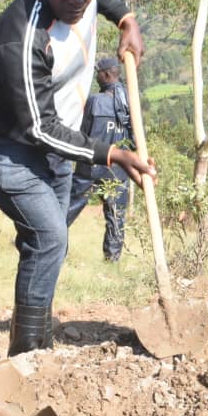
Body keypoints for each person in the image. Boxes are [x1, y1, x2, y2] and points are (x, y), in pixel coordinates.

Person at [0, 0, 153, 355]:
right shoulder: (22, 36)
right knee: (49, 235)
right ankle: (29, 350)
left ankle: (35, 336)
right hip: (5, 144)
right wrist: (113, 154)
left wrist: (127, 20)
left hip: (57, 138)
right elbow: (39, 128)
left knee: (50, 239)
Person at [66, 56, 133, 262]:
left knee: (67, 210)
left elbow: (82, 134)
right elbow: (136, 139)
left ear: (106, 75)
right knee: (116, 217)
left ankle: (51, 247)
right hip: (118, 170)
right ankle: (112, 260)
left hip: (90, 166)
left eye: (98, 73)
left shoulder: (95, 101)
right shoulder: (131, 103)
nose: (97, 76)